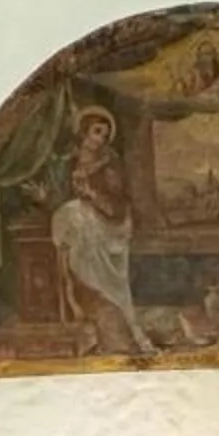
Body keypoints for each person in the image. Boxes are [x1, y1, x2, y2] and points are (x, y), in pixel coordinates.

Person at [47, 106, 151, 355]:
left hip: (109, 223)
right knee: (71, 218)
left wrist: (92, 195)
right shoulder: (68, 161)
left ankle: (104, 309)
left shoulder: (110, 163)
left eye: (104, 135)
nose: (99, 139)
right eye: (96, 132)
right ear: (84, 131)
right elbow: (60, 196)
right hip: (82, 217)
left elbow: (118, 203)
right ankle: (77, 303)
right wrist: (46, 197)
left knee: (81, 224)